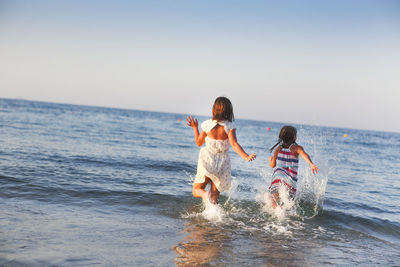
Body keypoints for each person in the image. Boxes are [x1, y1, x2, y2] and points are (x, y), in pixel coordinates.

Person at [186, 97, 256, 205]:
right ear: (229, 111)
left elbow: (198, 143)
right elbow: (234, 144)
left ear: (214, 109)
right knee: (215, 194)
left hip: (207, 159)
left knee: (196, 190)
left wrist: (195, 127)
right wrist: (246, 156)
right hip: (222, 162)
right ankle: (214, 217)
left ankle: (205, 195)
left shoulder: (207, 125)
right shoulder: (229, 126)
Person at [268, 126, 319, 208]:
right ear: (294, 137)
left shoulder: (277, 149)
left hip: (278, 178)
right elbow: (304, 154)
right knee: (289, 200)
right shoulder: (296, 148)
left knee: (273, 198)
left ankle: (276, 212)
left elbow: (272, 165)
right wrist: (311, 164)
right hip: (290, 181)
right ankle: (287, 212)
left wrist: (270, 159)